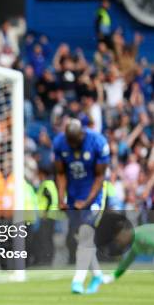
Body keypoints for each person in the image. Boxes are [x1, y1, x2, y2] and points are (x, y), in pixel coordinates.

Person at [54, 119, 110, 294]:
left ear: (82, 134)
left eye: (75, 142)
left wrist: (86, 202)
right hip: (73, 196)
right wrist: (61, 197)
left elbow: (100, 177)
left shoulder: (98, 142)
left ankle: (77, 281)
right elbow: (61, 173)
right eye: (69, 142)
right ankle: (97, 275)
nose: (72, 146)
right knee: (82, 239)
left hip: (94, 197)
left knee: (86, 233)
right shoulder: (59, 143)